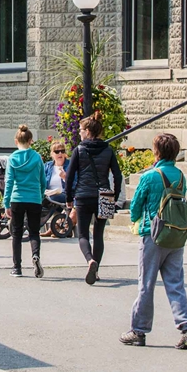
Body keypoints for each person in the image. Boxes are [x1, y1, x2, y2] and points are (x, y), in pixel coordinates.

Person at [121, 133, 187, 350]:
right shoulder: (180, 176)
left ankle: (139, 330)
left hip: (153, 233)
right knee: (176, 283)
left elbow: (136, 205)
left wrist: (135, 221)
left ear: (157, 152)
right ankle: (186, 327)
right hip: (175, 234)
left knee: (146, 283)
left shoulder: (150, 176)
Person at [65, 112, 123, 285]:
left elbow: (69, 176)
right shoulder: (108, 149)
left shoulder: (79, 150)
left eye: (81, 130)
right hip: (104, 195)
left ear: (88, 131)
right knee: (98, 234)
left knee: (83, 234)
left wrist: (69, 198)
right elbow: (118, 176)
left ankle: (90, 260)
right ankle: (96, 269)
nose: (79, 132)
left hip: (83, 195)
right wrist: (115, 196)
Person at [2, 125, 46, 278]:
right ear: (30, 141)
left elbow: (9, 182)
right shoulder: (37, 157)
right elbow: (43, 181)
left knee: (17, 233)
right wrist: (40, 196)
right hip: (34, 198)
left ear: (16, 141)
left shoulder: (12, 158)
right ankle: (35, 255)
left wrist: (6, 203)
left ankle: (17, 268)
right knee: (34, 232)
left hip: (17, 198)